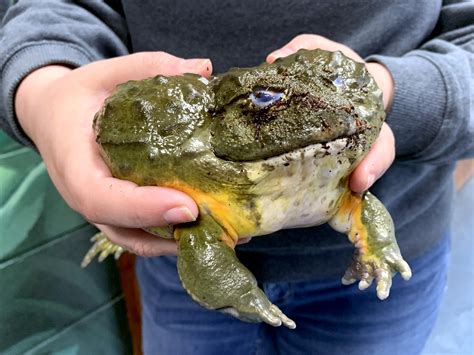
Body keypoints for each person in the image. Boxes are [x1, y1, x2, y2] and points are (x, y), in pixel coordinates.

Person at [1, 1, 472, 354]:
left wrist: (392, 90)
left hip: (393, 260)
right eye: (269, 102)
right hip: (176, 267)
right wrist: (43, 94)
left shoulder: (337, 181)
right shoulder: (214, 172)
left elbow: (364, 207)